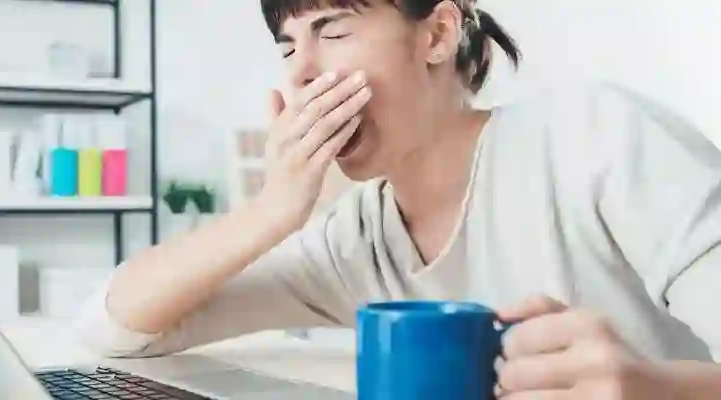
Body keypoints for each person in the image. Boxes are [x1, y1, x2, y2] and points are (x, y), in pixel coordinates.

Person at [75, 0, 721, 397]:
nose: (300, 72)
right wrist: (270, 212)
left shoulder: (597, 137)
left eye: (333, 31)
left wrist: (662, 391)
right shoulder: (356, 240)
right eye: (288, 46)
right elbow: (119, 327)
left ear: (437, 34)